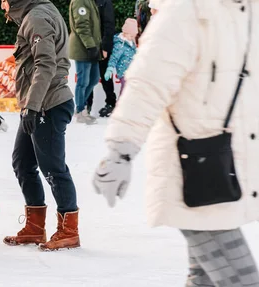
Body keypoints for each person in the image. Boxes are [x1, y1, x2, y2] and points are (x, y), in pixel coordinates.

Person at [93, 1, 259, 285]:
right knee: (241, 280)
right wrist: (121, 150)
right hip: (193, 171)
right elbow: (146, 85)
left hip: (229, 170)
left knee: (203, 280)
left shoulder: (248, 12)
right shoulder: (187, 12)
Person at [0, 0, 79, 252]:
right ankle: (35, 227)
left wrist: (33, 107)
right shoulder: (37, 12)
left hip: (48, 104)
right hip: (36, 104)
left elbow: (45, 64)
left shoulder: (36, 17)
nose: (2, 6)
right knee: (22, 162)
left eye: (3, 0)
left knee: (53, 168)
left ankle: (69, 230)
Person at [68, 0, 102, 124]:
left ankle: (81, 107)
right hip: (83, 47)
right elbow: (81, 25)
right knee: (83, 81)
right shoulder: (80, 1)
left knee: (94, 79)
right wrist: (90, 45)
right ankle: (81, 110)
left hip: (92, 46)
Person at [86, 0, 115, 118]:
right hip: (89, 46)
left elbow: (109, 25)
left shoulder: (105, 2)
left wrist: (105, 47)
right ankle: (87, 106)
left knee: (105, 77)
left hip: (101, 47)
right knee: (88, 78)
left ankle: (111, 104)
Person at [103, 18, 137, 96]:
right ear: (126, 33)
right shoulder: (120, 45)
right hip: (123, 72)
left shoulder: (131, 43)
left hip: (132, 72)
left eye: (133, 36)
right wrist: (110, 68)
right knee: (125, 89)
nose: (132, 37)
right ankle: (121, 105)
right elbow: (114, 57)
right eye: (131, 35)